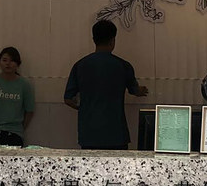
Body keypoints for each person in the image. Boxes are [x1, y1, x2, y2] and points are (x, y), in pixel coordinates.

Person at [63, 20, 148, 150]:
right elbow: (134, 90)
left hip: (89, 134)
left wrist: (86, 108)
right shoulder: (123, 66)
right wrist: (141, 90)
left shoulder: (80, 65)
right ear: (113, 40)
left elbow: (68, 99)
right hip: (116, 134)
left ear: (94, 40)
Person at [0, 47, 35, 147]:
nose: (8, 64)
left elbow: (29, 110)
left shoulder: (24, 84)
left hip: (15, 133)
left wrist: (20, 128)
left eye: (12, 61)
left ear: (18, 64)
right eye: (4, 60)